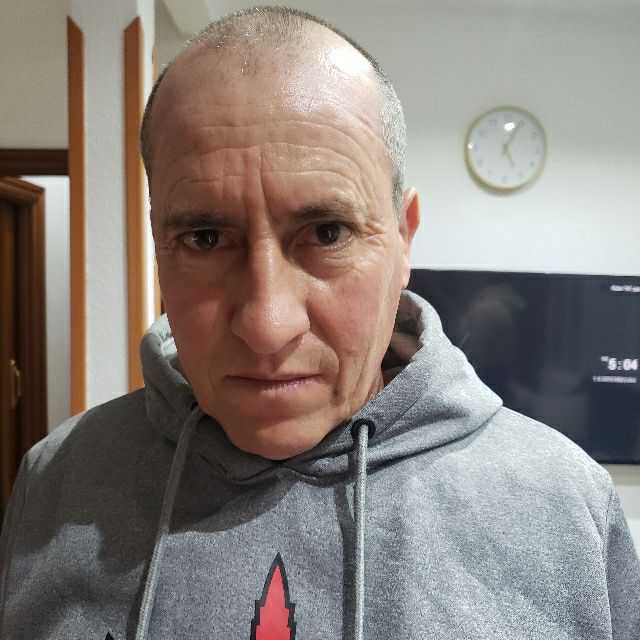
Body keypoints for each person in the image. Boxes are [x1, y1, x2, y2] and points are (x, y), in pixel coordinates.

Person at [1, 6, 639, 639]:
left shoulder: (563, 507)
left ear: (404, 238)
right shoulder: (58, 482)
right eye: (205, 238)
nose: (267, 325)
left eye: (327, 232)